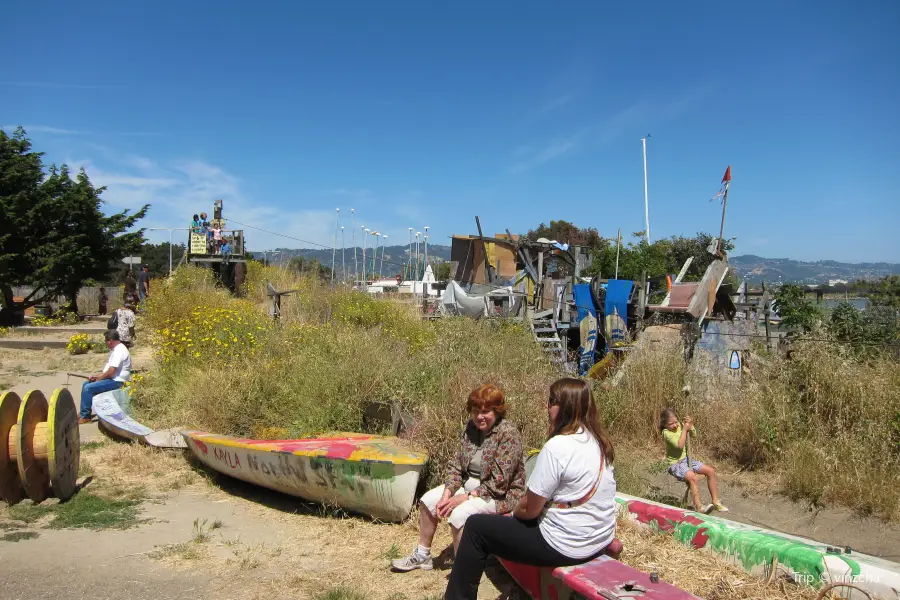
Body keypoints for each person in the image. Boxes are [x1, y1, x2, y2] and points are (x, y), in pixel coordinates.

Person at [444, 378, 618, 600]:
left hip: (568, 545)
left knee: (476, 526)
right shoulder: (599, 442)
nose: (547, 407)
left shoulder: (557, 446)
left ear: (566, 407)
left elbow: (530, 509)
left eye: (551, 402)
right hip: (599, 537)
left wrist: (515, 513)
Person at [391, 384, 526, 572]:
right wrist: (447, 494)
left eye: (486, 411)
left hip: (500, 495)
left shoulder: (507, 433)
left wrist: (466, 497)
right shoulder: (470, 428)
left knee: (459, 514)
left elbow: (500, 482)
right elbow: (456, 465)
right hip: (469, 486)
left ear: (497, 411)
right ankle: (423, 555)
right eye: (475, 411)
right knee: (428, 501)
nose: (480, 416)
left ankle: (464, 572)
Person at [659, 408, 728, 514]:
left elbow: (694, 435)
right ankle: (700, 508)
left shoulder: (680, 427)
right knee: (693, 478)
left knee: (710, 471)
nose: (675, 425)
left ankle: (715, 502)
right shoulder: (666, 433)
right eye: (671, 424)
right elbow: (679, 445)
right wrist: (685, 430)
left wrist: (690, 425)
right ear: (664, 425)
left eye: (676, 422)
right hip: (676, 464)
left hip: (687, 460)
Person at [78, 330, 132, 424]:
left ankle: (85, 417)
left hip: (118, 382)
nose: (106, 344)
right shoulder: (117, 349)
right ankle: (84, 411)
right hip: (113, 379)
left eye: (106, 341)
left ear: (110, 341)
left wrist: (99, 379)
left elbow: (111, 371)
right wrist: (96, 376)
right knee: (86, 384)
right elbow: (108, 371)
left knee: (88, 388)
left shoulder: (119, 351)